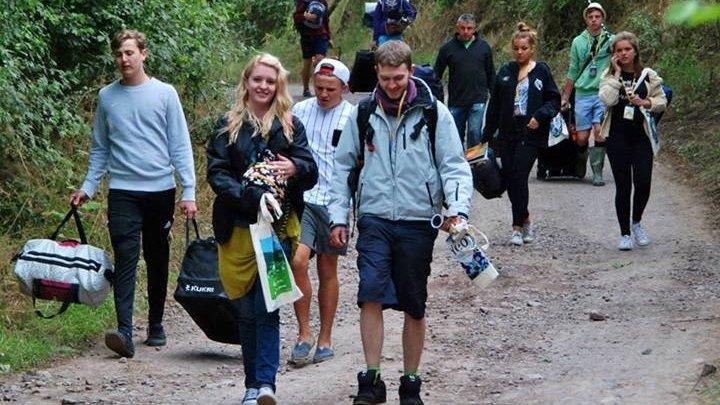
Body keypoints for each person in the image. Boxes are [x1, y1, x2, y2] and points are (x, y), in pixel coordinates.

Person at [328, 41, 473, 405]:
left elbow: (454, 165)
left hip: (418, 220)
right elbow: (342, 167)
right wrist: (337, 216)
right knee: (369, 295)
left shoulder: (434, 113)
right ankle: (371, 379)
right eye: (385, 77)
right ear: (376, 73)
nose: (392, 84)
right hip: (375, 218)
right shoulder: (363, 114)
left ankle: (411, 383)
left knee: (414, 303)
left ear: (410, 72)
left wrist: (457, 209)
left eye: (398, 77)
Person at [70, 29, 197, 359]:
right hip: (123, 190)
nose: (123, 59)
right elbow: (100, 148)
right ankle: (124, 332)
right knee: (126, 257)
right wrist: (87, 186)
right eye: (118, 54)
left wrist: (189, 190)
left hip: (160, 189)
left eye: (129, 52)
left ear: (143, 54)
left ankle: (155, 324)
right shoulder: (106, 97)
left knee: (156, 256)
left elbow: (179, 144)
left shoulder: (165, 94)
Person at [207, 53, 318, 405]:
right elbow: (217, 174)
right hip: (236, 230)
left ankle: (266, 384)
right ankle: (251, 385)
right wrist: (250, 196)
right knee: (244, 311)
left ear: (278, 86)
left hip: (277, 231)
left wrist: (294, 168)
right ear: (247, 81)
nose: (264, 86)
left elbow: (310, 168)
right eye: (258, 80)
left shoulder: (289, 125)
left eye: (271, 81)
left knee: (267, 307)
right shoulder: (227, 125)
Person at [289, 58, 354, 366]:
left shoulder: (353, 117)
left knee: (328, 270)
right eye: (319, 88)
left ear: (344, 88)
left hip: (334, 203)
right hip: (302, 199)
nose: (324, 94)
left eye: (330, 89)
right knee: (297, 260)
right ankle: (303, 333)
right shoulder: (300, 111)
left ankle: (325, 338)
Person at [481, 23, 561, 246]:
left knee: (519, 176)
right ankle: (525, 218)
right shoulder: (506, 71)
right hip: (506, 134)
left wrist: (540, 116)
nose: (519, 52)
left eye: (524, 48)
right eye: (516, 48)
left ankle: (516, 227)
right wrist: (486, 135)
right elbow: (495, 105)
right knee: (509, 177)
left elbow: (554, 99)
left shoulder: (541, 71)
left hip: (531, 133)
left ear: (532, 48)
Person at [599, 32, 666, 251]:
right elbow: (607, 99)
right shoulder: (608, 76)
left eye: (627, 49)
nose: (623, 53)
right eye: (619, 50)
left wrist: (645, 102)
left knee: (644, 182)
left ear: (635, 50)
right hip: (617, 137)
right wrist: (617, 75)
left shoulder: (648, 75)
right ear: (614, 55)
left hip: (641, 138)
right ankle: (624, 233)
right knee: (623, 186)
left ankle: (636, 221)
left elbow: (661, 101)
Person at [560, 2, 614, 186]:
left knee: (599, 132)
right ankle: (581, 160)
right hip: (583, 93)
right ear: (586, 19)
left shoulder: (611, 40)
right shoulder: (578, 41)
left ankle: (597, 172)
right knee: (582, 137)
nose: (594, 20)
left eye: (597, 16)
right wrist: (566, 97)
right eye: (590, 17)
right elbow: (573, 70)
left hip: (602, 92)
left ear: (602, 18)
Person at [434, 13, 495, 149]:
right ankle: (458, 165)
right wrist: (436, 98)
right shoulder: (447, 49)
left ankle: (474, 166)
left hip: (478, 98)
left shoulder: (484, 47)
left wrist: (495, 97)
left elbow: (491, 73)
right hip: (457, 100)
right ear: (457, 28)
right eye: (463, 28)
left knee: (475, 134)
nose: (466, 31)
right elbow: (436, 74)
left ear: (474, 28)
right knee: (455, 135)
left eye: (469, 28)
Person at [294, 0, 331, 98]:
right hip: (306, 36)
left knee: (320, 60)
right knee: (307, 62)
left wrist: (329, 37)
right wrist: (305, 16)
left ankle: (321, 87)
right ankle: (306, 89)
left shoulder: (323, 2)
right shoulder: (302, 2)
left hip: (321, 35)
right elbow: (296, 17)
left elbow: (326, 20)